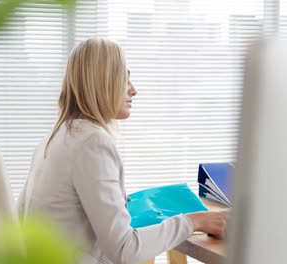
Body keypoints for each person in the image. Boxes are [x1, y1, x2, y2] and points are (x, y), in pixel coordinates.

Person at [17, 37, 227, 264]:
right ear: (103, 82)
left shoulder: (56, 138)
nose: (133, 90)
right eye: (124, 79)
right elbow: (125, 250)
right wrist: (195, 221)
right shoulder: (92, 142)